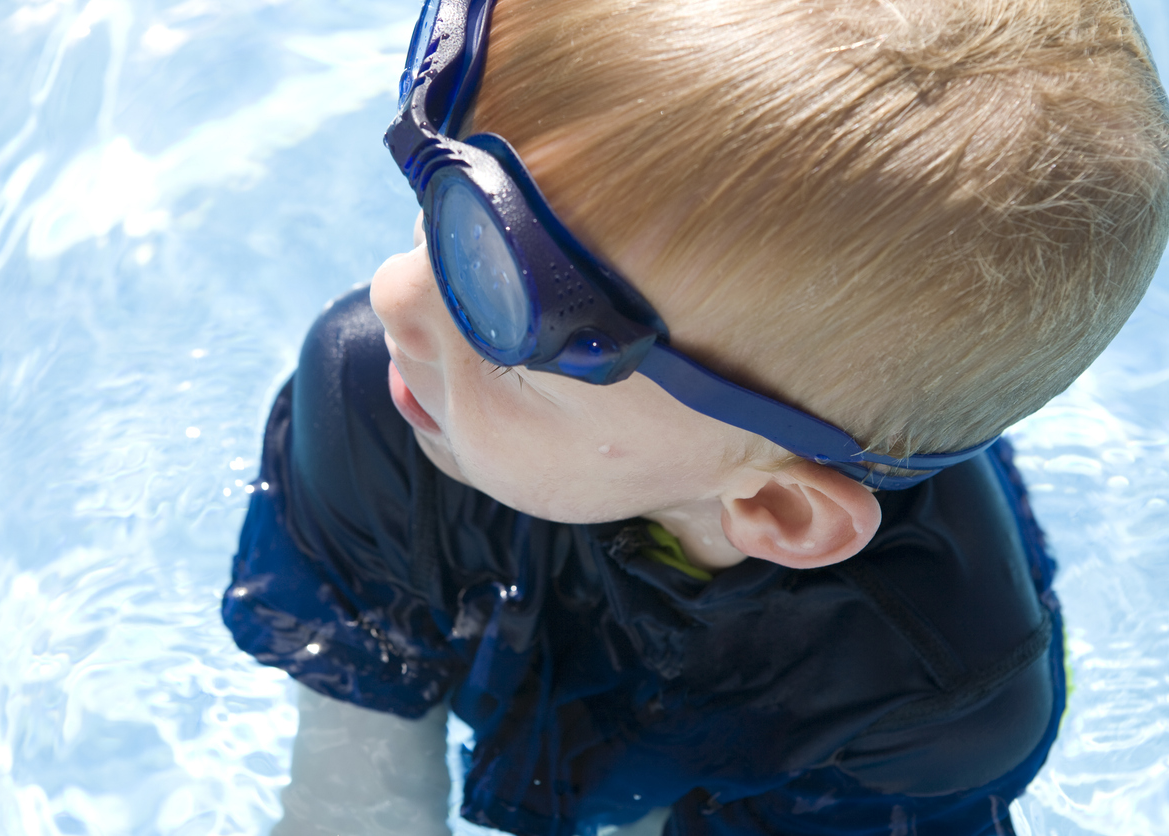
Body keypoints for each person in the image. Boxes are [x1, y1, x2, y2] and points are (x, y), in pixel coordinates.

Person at [223, 0, 1169, 833]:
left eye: (503, 306)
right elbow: (355, 784)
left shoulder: (923, 701)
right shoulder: (377, 395)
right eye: (447, 202)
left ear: (783, 513)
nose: (393, 294)